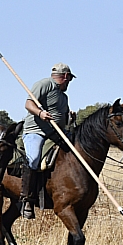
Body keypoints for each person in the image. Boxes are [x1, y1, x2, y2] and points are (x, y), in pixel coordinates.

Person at [20, 63, 76, 219]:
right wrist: (40, 113)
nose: (69, 83)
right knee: (34, 159)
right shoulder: (45, 84)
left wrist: (69, 118)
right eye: (70, 79)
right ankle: (28, 200)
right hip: (36, 131)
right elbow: (28, 103)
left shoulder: (64, 97)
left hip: (57, 133)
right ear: (65, 76)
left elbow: (61, 118)